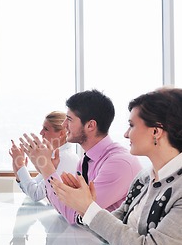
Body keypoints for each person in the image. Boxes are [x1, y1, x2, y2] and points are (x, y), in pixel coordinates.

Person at [51, 88, 182, 245]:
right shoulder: (145, 177)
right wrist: (83, 206)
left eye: (131, 125)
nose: (125, 133)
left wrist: (88, 209)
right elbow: (117, 223)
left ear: (156, 131)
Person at [20, 90, 142, 225]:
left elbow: (75, 215)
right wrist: (48, 170)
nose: (64, 124)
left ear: (90, 125)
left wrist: (47, 169)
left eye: (70, 119)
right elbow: (64, 208)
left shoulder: (118, 164)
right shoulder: (85, 161)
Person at [9, 111, 79, 201]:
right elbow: (33, 186)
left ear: (61, 134)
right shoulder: (57, 155)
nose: (41, 132)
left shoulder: (64, 158)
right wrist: (18, 173)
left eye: (46, 129)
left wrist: (20, 166)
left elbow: (36, 194)